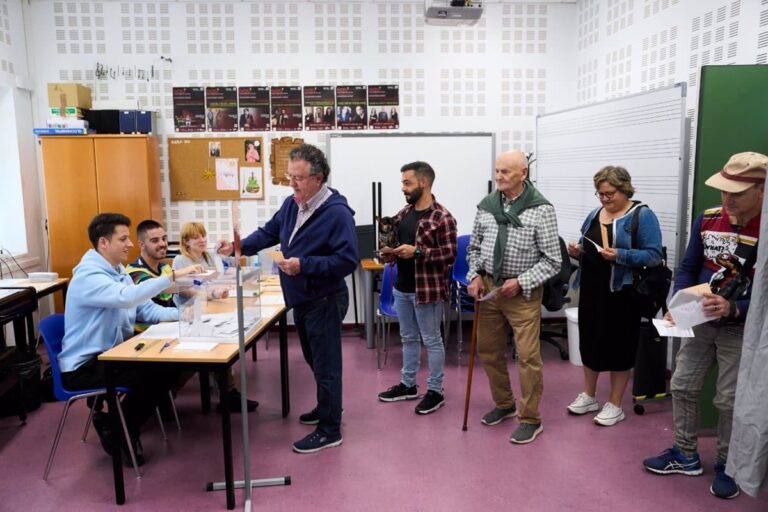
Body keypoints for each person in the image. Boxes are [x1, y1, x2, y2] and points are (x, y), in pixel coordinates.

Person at [217, 143, 357, 453]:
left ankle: (330, 429)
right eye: (289, 176)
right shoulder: (293, 204)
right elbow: (269, 232)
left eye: (298, 178)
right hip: (302, 299)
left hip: (324, 299)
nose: (291, 183)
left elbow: (348, 260)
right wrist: (237, 247)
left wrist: (304, 264)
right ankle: (327, 408)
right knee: (314, 360)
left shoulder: (337, 213)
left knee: (326, 365)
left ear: (317, 178)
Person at [643, 152, 767, 500]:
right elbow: (688, 265)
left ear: (761, 190)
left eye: (737, 193)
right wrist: (676, 302)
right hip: (698, 319)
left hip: (742, 327)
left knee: (729, 401)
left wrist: (735, 308)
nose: (727, 200)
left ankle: (730, 464)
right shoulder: (708, 218)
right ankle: (685, 454)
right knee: (681, 385)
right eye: (723, 191)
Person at [58, 213, 202, 466]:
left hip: (113, 354)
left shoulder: (118, 271)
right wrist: (170, 278)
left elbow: (146, 309)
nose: (129, 244)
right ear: (103, 243)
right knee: (156, 372)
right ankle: (122, 430)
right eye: (123, 239)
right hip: (85, 366)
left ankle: (118, 426)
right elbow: (127, 297)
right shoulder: (89, 277)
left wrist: (186, 316)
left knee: (168, 366)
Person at [466, 149, 561, 444]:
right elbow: (474, 248)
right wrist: (475, 275)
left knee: (529, 357)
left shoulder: (541, 209)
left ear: (523, 174)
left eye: (506, 172)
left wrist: (521, 281)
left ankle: (531, 418)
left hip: (524, 293)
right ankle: (505, 404)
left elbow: (553, 260)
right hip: (491, 289)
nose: (499, 177)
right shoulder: (486, 206)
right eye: (497, 171)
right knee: (488, 351)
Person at [565, 166, 662, 426]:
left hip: (623, 293)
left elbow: (654, 256)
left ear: (625, 189)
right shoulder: (594, 213)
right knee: (590, 342)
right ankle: (589, 394)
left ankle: (616, 403)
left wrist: (620, 255)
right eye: (600, 194)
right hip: (593, 290)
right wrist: (578, 252)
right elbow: (588, 246)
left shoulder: (642, 215)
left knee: (619, 347)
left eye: (609, 194)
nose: (605, 199)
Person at [377, 162, 457, 414]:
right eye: (402, 182)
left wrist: (418, 252)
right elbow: (396, 246)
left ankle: (435, 391)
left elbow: (449, 255)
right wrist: (389, 254)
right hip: (402, 288)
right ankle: (408, 384)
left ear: (423, 182)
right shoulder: (403, 214)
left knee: (432, 340)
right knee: (408, 338)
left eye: (407, 182)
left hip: (427, 291)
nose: (403, 188)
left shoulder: (442, 217)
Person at [173, 221, 257, 413]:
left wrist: (221, 254)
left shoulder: (209, 256)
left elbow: (220, 277)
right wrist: (213, 293)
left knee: (223, 344)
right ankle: (228, 393)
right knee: (215, 345)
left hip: (213, 306)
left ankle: (229, 393)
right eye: (196, 237)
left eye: (203, 235)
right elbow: (188, 290)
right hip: (191, 313)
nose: (202, 240)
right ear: (186, 242)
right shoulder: (181, 261)